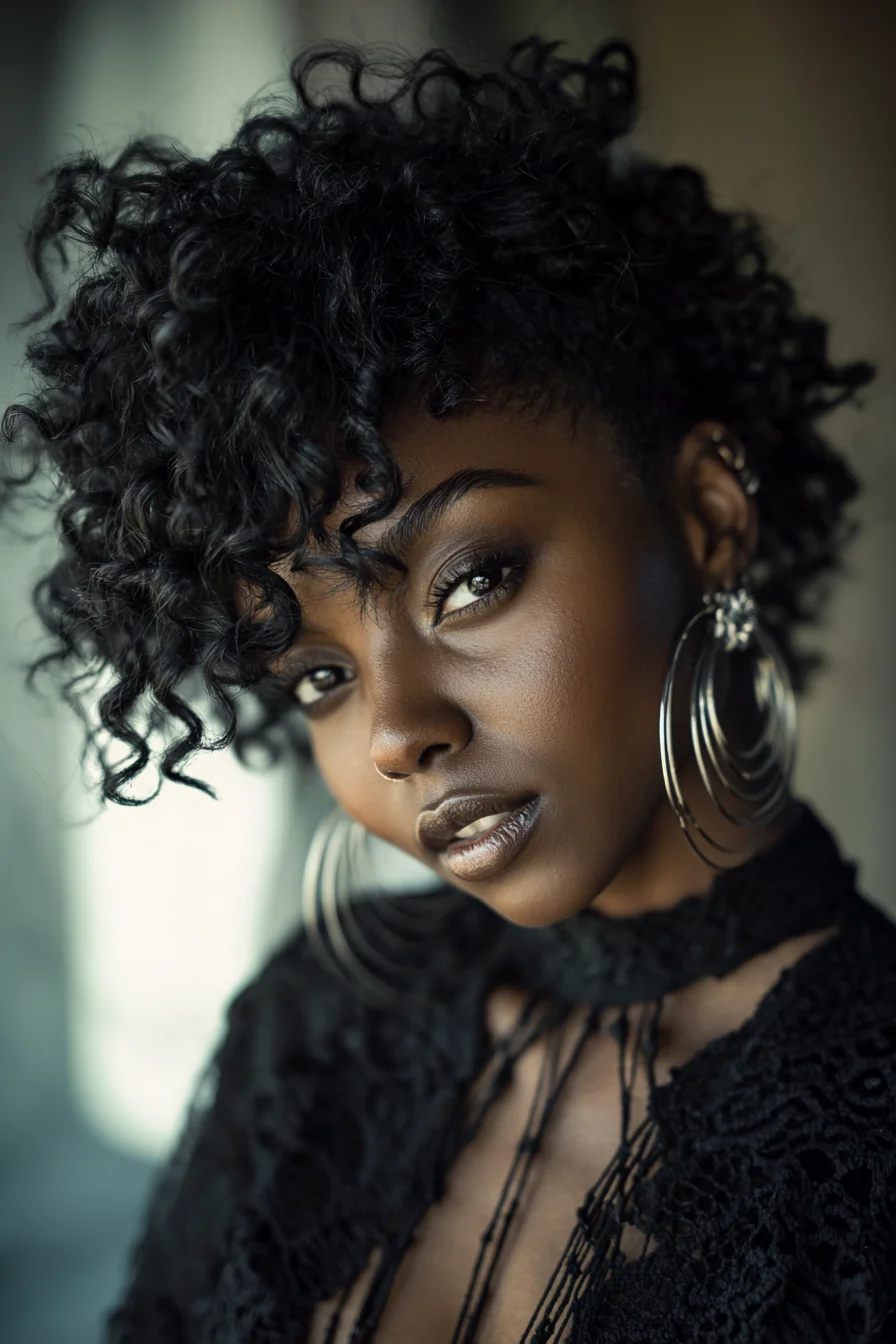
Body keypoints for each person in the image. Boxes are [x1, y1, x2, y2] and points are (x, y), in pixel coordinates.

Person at [2, 35, 895, 1344]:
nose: (398, 731)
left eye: (472, 582)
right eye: (320, 673)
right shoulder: (313, 1035)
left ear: (709, 516)